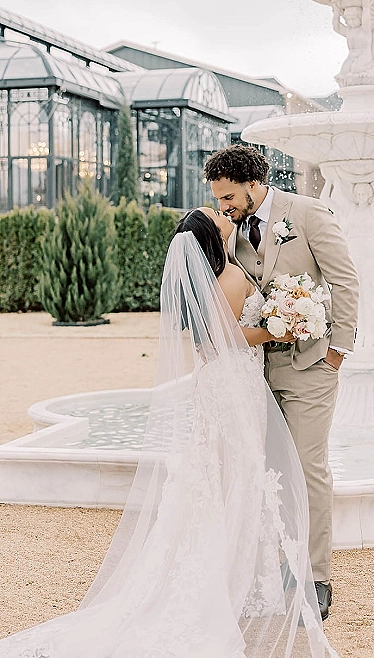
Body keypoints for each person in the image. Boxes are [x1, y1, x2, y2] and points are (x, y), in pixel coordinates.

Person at [0, 208, 338, 657]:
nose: (224, 214)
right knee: (236, 479)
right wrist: (280, 328)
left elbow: (209, 338)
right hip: (236, 385)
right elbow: (231, 339)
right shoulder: (232, 277)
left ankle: (226, 572)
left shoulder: (208, 283)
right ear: (212, 238)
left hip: (215, 386)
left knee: (218, 478)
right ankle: (231, 580)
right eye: (216, 215)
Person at [204, 145, 359, 622]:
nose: (224, 205)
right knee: (272, 470)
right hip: (254, 375)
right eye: (218, 198)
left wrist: (338, 349)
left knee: (309, 469)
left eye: (229, 195)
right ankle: (281, 562)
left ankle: (316, 576)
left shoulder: (307, 214)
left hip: (310, 366)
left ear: (254, 184)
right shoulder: (229, 234)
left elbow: (345, 280)